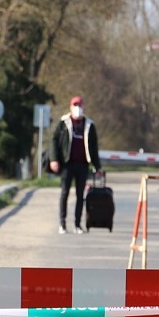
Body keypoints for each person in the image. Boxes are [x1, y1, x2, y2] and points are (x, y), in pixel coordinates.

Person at [48, 95, 101, 234]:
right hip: (67, 164)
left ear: (83, 107)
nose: (78, 108)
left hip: (82, 164)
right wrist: (54, 159)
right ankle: (62, 224)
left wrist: (97, 166)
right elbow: (54, 141)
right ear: (70, 107)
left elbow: (94, 147)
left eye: (80, 105)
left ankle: (77, 224)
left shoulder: (89, 125)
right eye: (75, 105)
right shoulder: (63, 123)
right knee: (64, 193)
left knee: (80, 195)